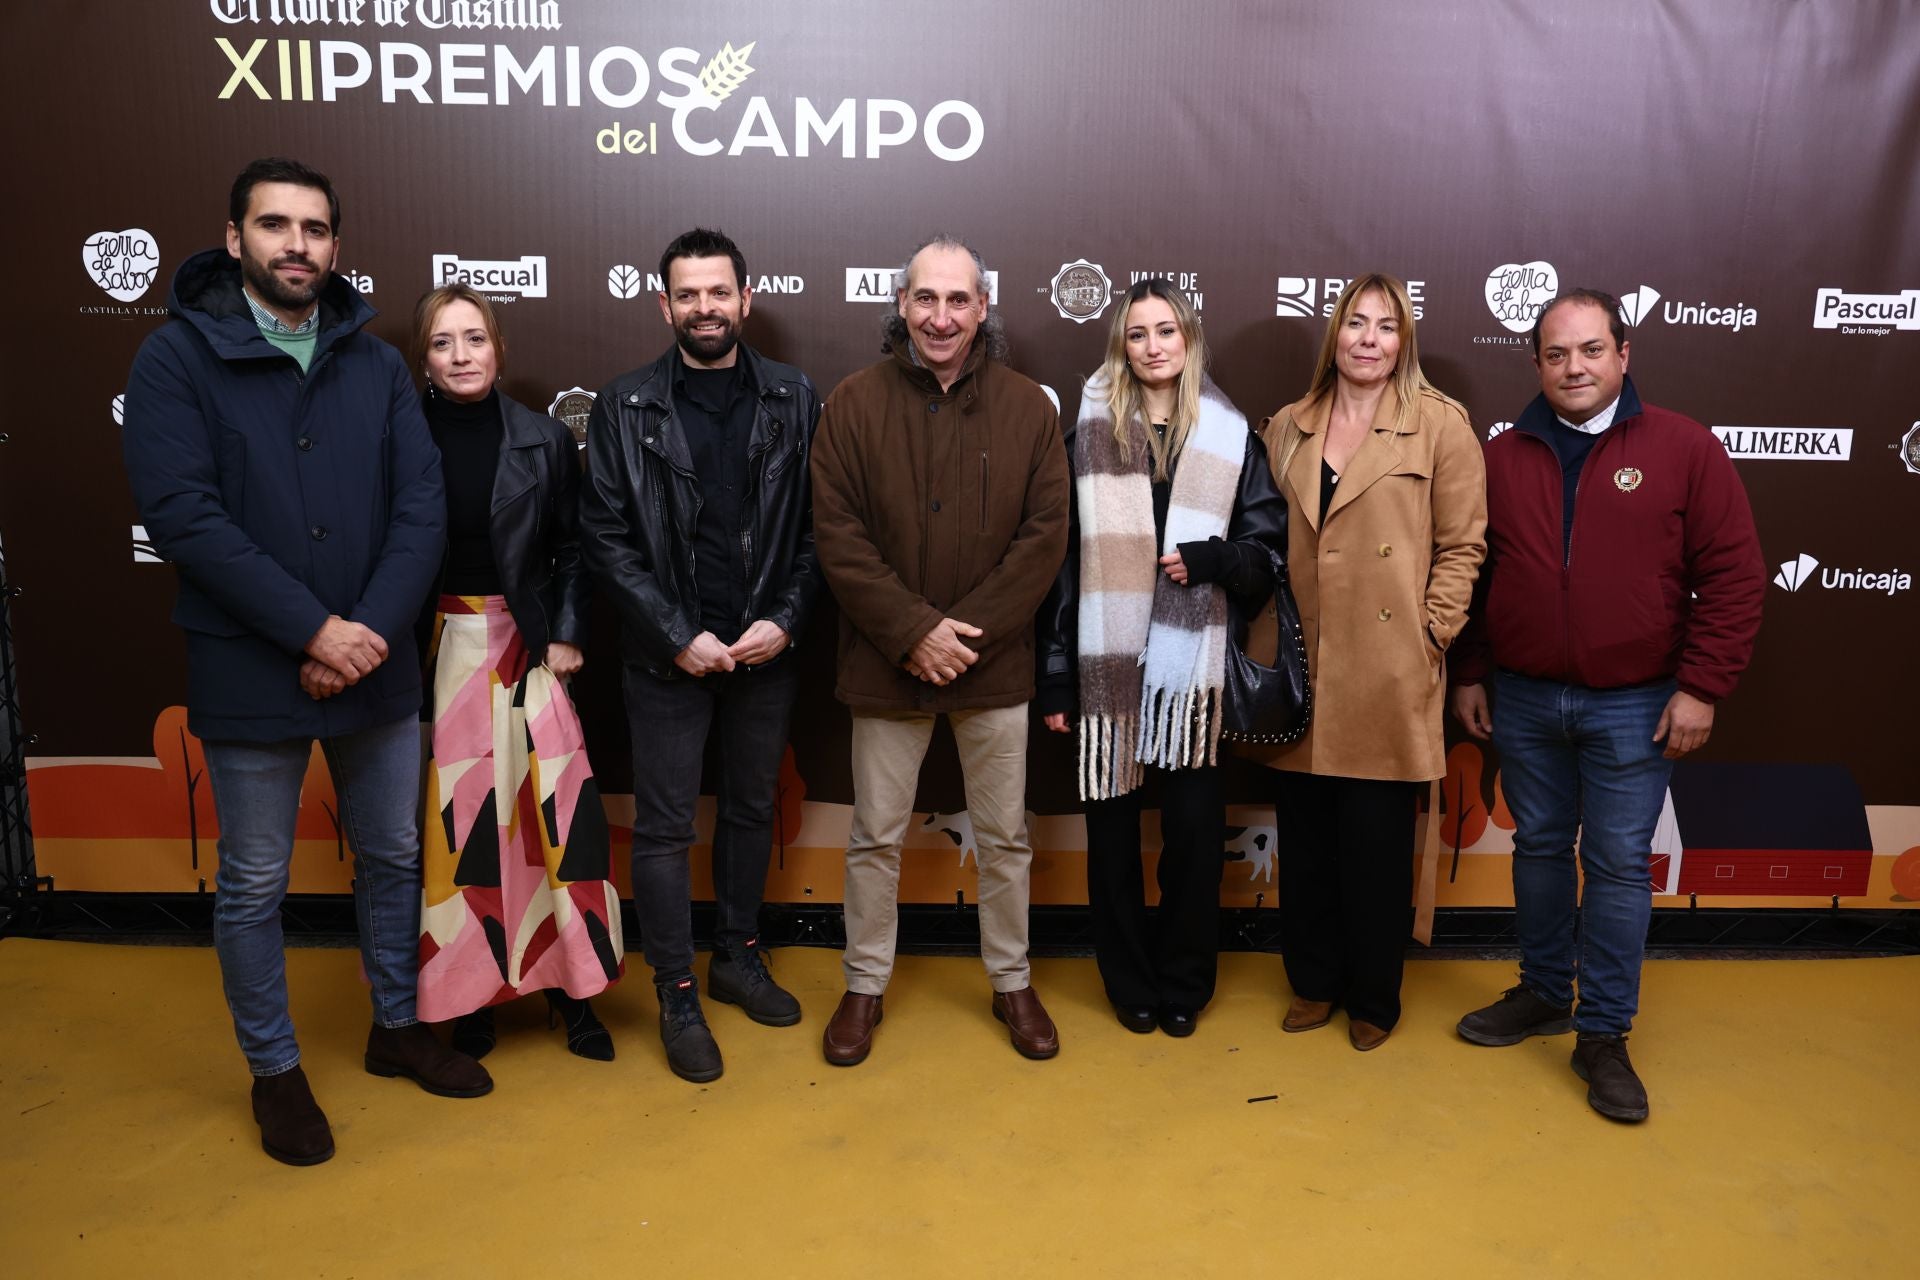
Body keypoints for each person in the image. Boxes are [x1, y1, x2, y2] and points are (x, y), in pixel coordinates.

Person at [122, 157, 487, 1167]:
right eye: (275, 224)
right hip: (251, 666)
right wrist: (314, 632)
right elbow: (186, 518)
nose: (298, 243)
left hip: (377, 661)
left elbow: (421, 506)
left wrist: (362, 629)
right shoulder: (173, 360)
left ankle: (396, 1022)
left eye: (315, 228)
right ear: (234, 237)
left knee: (396, 856)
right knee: (250, 882)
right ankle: (275, 1071)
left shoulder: (373, 363)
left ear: (336, 245)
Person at [1451, 288, 1763, 1122]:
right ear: (1536, 365)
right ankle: (1546, 992)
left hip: (1638, 703)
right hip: (1521, 695)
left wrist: (1702, 686)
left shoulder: (1683, 447)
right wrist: (1472, 671)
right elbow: (1475, 578)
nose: (1574, 367)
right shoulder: (1502, 456)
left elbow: (1733, 577)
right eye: (1557, 354)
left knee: (1620, 865)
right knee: (1541, 851)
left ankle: (1604, 1035)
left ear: (1624, 355)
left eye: (1591, 350)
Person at [810, 234, 1070, 1066]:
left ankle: (1012, 981)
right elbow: (838, 536)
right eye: (926, 298)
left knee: (1005, 838)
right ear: (902, 305)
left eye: (959, 300)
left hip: (993, 669)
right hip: (887, 664)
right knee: (875, 838)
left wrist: (961, 638)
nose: (941, 316)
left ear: (984, 308)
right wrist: (913, 632)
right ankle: (863, 985)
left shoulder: (1031, 407)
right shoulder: (852, 403)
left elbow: (1043, 540)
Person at [578, 228, 821, 1083]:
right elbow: (606, 538)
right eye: (689, 294)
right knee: (666, 827)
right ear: (664, 304)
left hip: (765, 650)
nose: (706, 308)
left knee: (752, 809)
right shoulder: (625, 405)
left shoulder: (795, 397)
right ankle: (677, 988)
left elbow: (822, 530)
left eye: (720, 292)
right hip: (665, 658)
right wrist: (674, 635)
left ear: (746, 299)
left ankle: (737, 954)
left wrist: (786, 619)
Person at [1036, 279, 1285, 1037]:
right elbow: (1061, 566)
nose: (1153, 347)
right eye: (1137, 334)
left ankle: (1184, 979)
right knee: (1111, 842)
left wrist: (1216, 560)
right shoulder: (1086, 438)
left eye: (1166, 331)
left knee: (1195, 842)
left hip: (1191, 680)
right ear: (1122, 345)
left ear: (1189, 339)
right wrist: (1055, 674)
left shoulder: (1232, 437)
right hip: (1106, 669)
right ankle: (1128, 980)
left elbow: (1266, 557)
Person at [1247, 273, 1487, 1052]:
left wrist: (1431, 632)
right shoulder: (1288, 424)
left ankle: (1374, 998)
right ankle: (1313, 982)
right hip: (1305, 665)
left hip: (1389, 667)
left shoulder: (1441, 425)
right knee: (1308, 843)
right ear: (1335, 334)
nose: (1369, 339)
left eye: (1386, 326)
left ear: (1403, 340)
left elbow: (1463, 544)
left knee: (1377, 850)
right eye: (1356, 323)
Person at [406, 283, 623, 1063]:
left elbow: (573, 547)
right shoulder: (400, 436)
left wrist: (566, 634)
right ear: (423, 357)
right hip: (441, 650)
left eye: (474, 338)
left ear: (498, 347)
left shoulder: (540, 437)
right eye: (442, 342)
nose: (461, 355)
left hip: (528, 646)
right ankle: (472, 997)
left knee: (554, 824)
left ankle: (576, 992)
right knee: (464, 832)